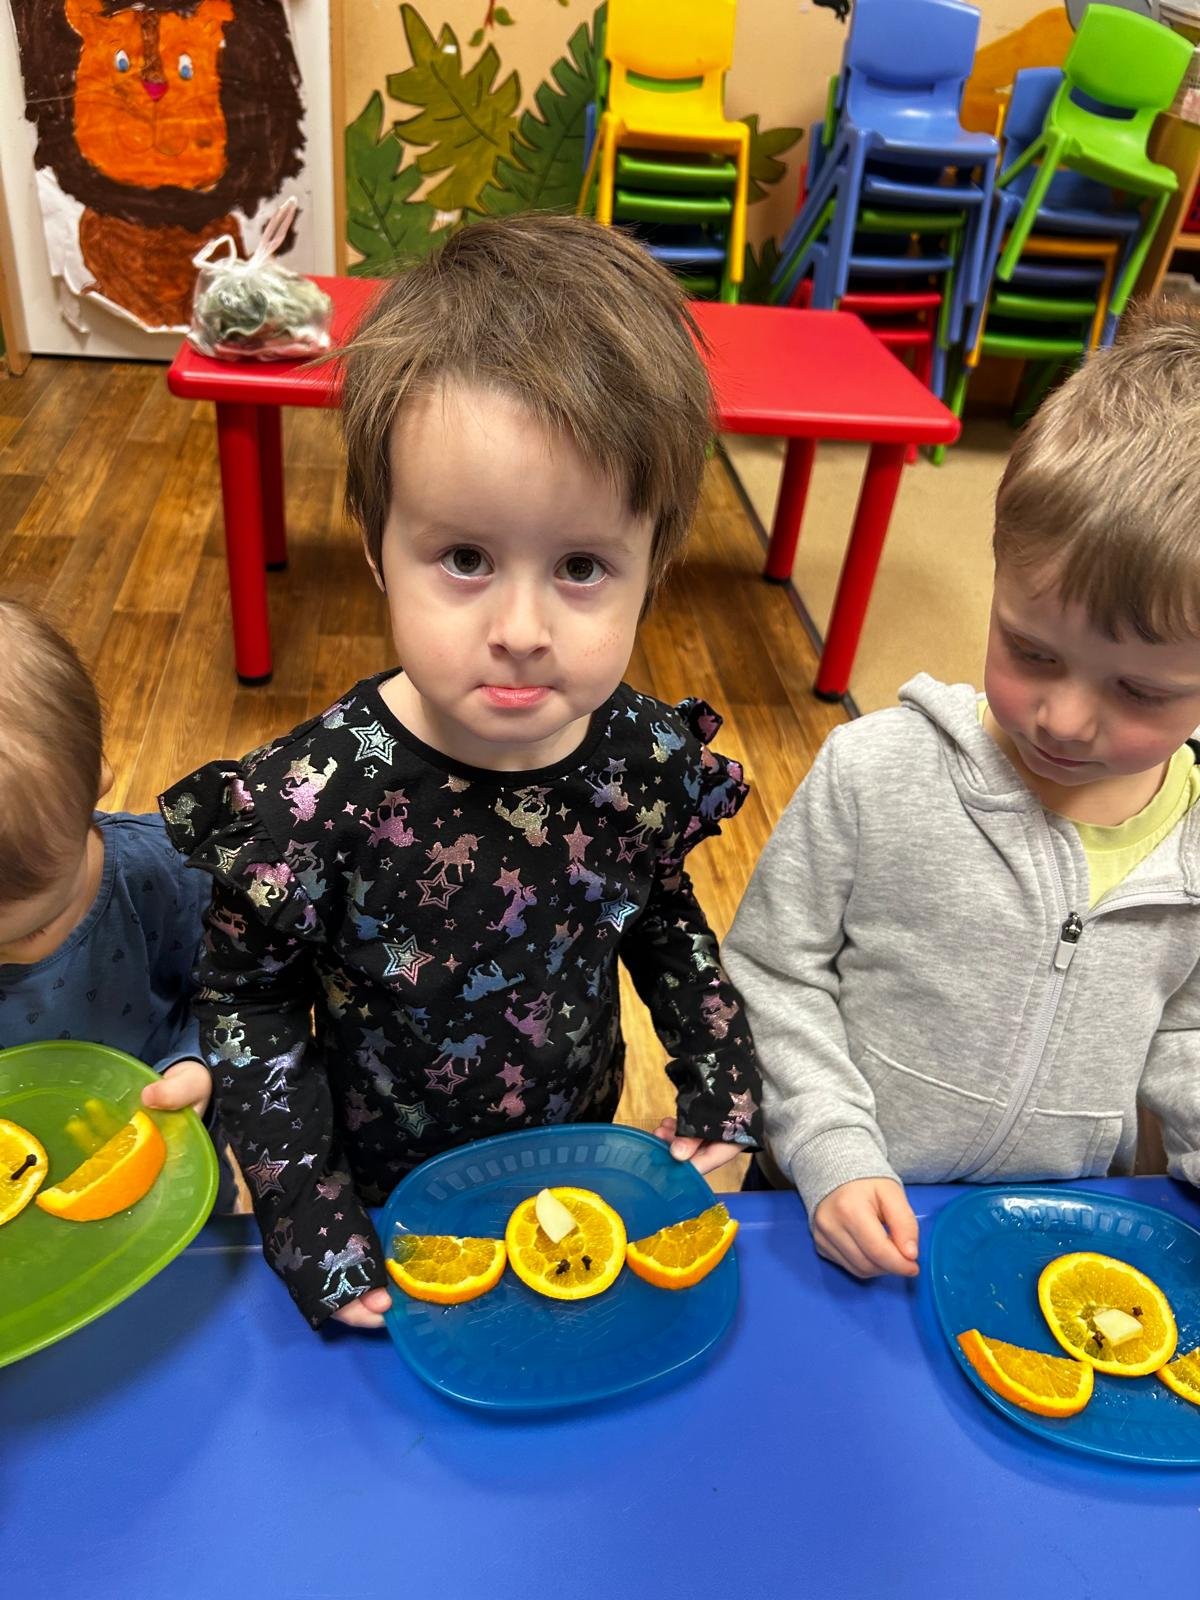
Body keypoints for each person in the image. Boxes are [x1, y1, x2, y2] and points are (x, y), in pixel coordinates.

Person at [160, 214, 763, 1331]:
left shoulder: (640, 760)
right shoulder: (309, 799)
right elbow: (248, 1000)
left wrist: (721, 1079)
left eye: (582, 566)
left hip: (568, 1161)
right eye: (467, 558)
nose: (522, 629)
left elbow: (658, 912)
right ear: (376, 542)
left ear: (655, 564)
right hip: (383, 1197)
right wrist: (312, 1221)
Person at [724, 300, 1200, 1282]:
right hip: (834, 1217)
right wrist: (831, 1146)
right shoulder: (873, 772)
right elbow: (773, 973)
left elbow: (1189, 1031)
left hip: (1054, 1239)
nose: (1064, 719)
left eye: (1140, 691)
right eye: (1031, 651)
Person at [0, 599, 214, 1123]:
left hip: (152, 1127)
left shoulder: (161, 874)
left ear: (95, 783)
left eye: (28, 933)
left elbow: (236, 985)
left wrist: (196, 1061)